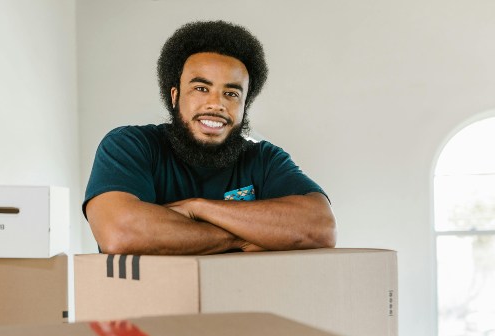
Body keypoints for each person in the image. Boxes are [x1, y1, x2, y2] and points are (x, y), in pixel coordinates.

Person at [83, 21, 336, 255]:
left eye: (231, 93)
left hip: (244, 302)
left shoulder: (264, 159)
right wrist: (240, 239)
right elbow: (120, 233)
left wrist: (198, 208)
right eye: (201, 88)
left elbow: (320, 227)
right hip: (150, 302)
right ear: (174, 96)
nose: (216, 104)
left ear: (244, 104)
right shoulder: (130, 147)